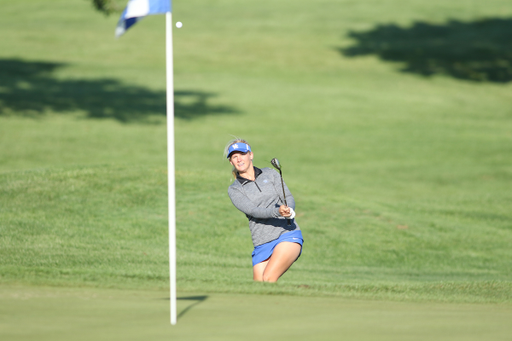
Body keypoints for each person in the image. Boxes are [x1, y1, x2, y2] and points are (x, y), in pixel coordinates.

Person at [225, 138, 303, 282]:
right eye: (234, 157)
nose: (239, 159)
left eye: (242, 154)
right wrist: (277, 212)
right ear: (231, 162)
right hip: (261, 242)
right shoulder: (235, 189)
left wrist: (289, 209)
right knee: (259, 289)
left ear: (251, 155)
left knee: (268, 278)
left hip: (286, 234)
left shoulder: (271, 173)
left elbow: (288, 197)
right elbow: (253, 210)